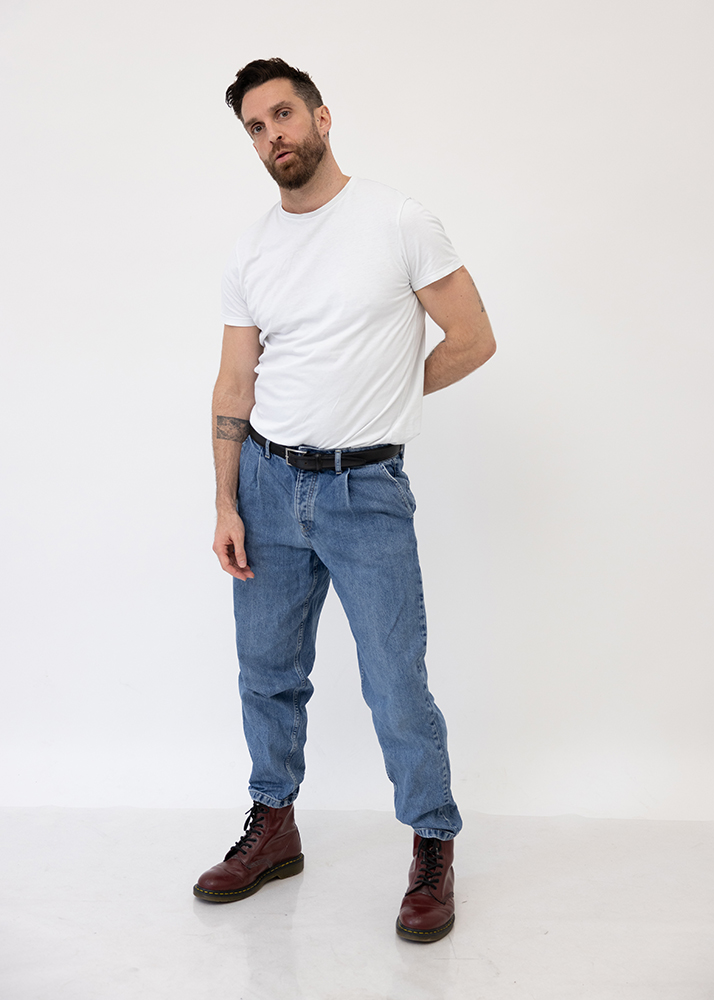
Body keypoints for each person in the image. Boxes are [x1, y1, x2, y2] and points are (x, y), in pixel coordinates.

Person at [193, 58, 496, 943]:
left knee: (395, 681)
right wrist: (225, 502)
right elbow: (234, 381)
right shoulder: (252, 248)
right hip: (265, 483)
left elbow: (473, 336)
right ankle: (274, 826)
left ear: (322, 117)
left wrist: (390, 395)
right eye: (255, 128)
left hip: (366, 491)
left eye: (283, 115)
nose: (272, 136)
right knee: (267, 674)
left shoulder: (398, 222)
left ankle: (432, 846)